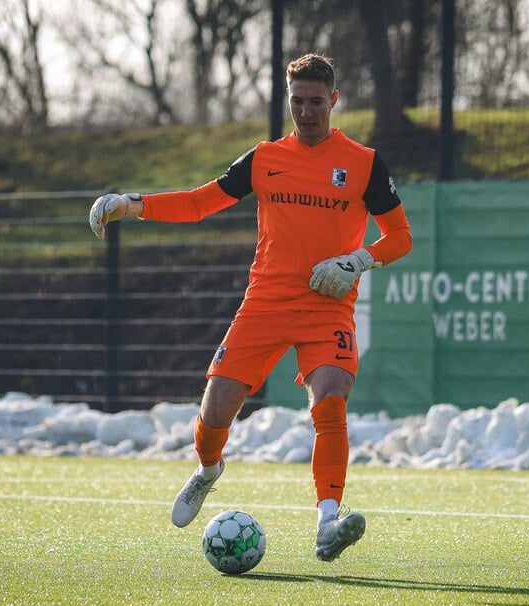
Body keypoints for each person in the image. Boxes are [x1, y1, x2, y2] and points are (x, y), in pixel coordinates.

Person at [88, 54, 412, 562]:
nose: (306, 112)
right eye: (297, 101)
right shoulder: (263, 158)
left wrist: (359, 260)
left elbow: (401, 236)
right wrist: (134, 203)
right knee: (215, 413)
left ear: (335, 100)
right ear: (288, 100)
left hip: (327, 304)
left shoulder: (364, 163)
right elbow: (199, 202)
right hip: (264, 303)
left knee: (330, 400)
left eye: (316, 102)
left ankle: (328, 522)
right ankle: (209, 470)